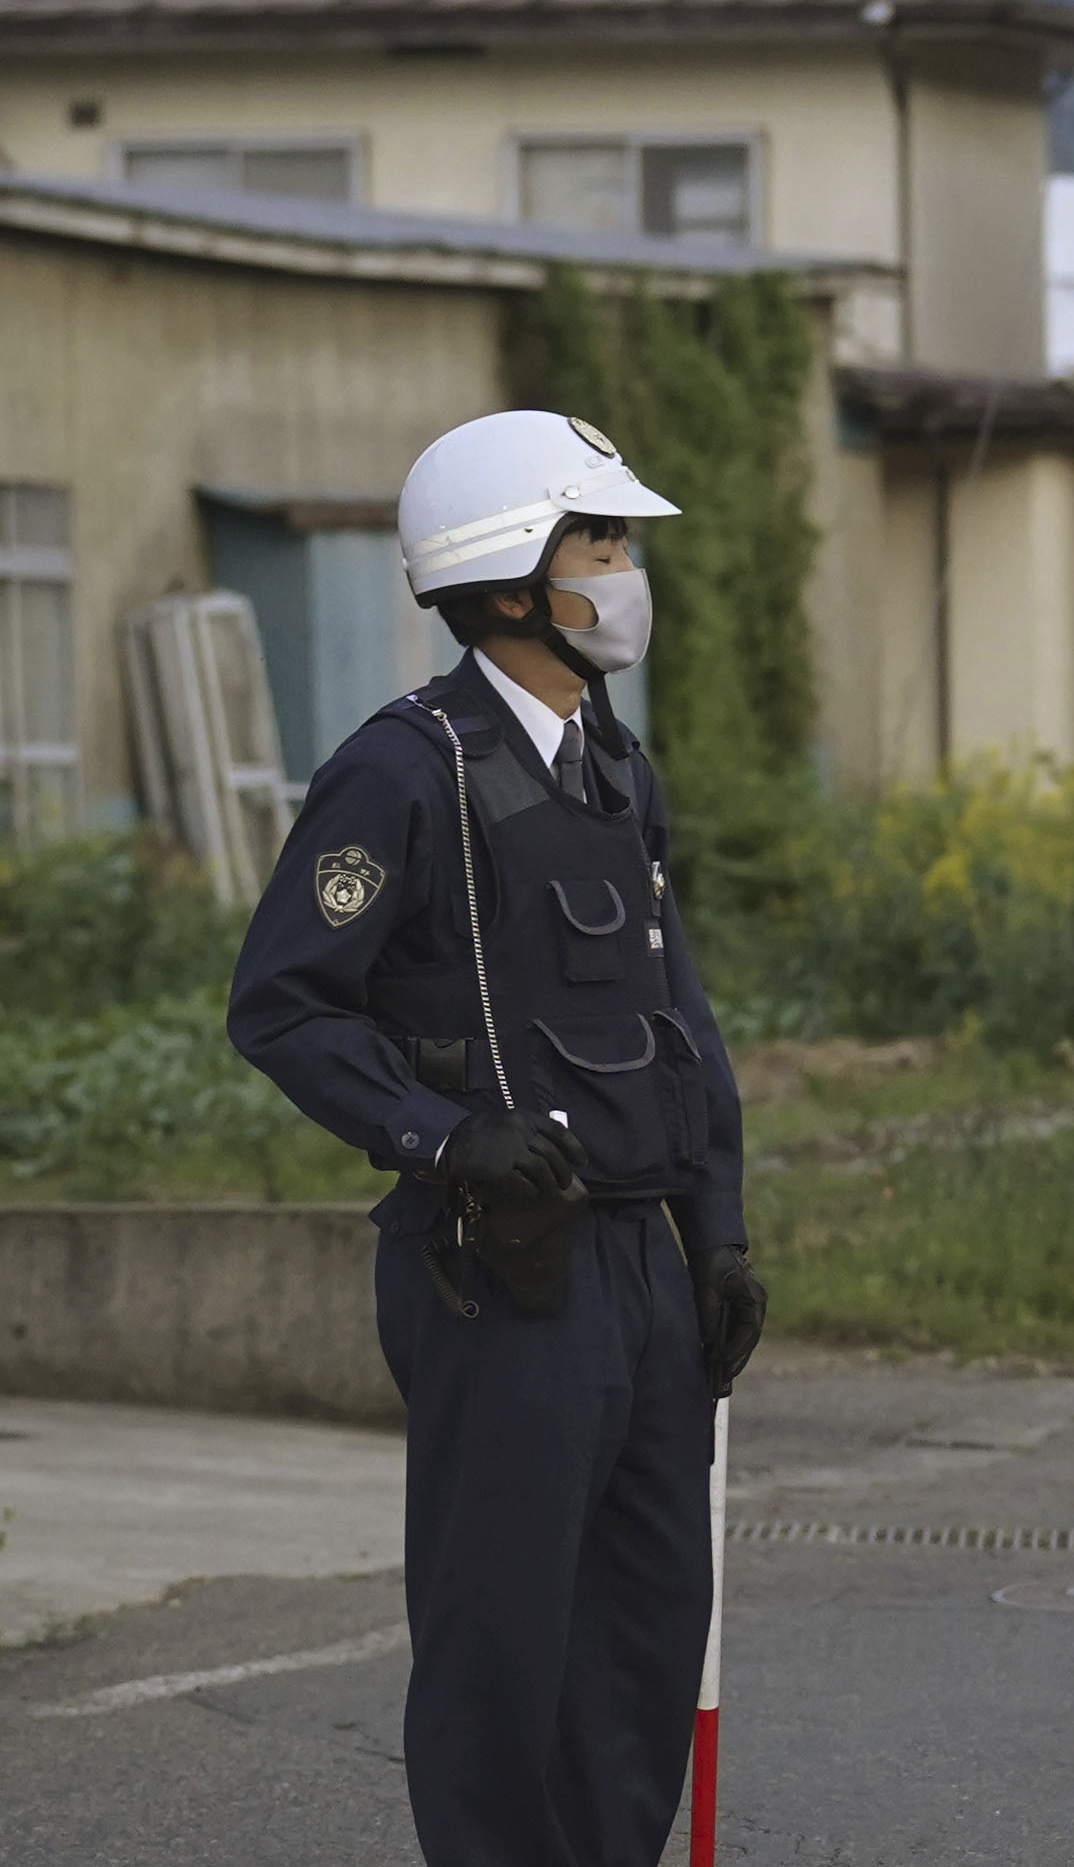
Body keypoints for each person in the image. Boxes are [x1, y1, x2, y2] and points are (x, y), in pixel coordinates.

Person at [228, 409, 768, 1867]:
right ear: (512, 580)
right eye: (602, 540)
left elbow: (681, 1028)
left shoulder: (613, 766)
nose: (628, 568)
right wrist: (439, 1136)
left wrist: (714, 1234)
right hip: (499, 1270)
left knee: (648, 1633)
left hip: (643, 1268)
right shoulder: (404, 770)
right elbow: (282, 1007)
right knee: (502, 1643)